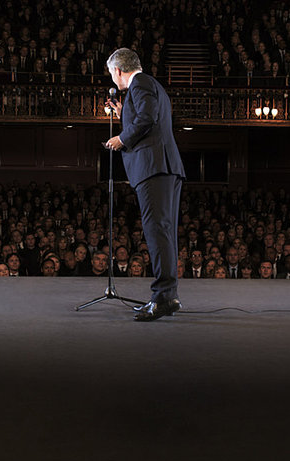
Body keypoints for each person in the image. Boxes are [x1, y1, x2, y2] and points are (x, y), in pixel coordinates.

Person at [105, 48, 186, 321]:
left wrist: (122, 138)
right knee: (163, 232)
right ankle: (167, 296)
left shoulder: (140, 83)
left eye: (111, 73)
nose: (112, 78)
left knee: (157, 232)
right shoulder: (150, 86)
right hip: (162, 168)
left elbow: (147, 119)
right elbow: (149, 119)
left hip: (155, 169)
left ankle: (163, 297)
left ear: (118, 70)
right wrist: (123, 113)